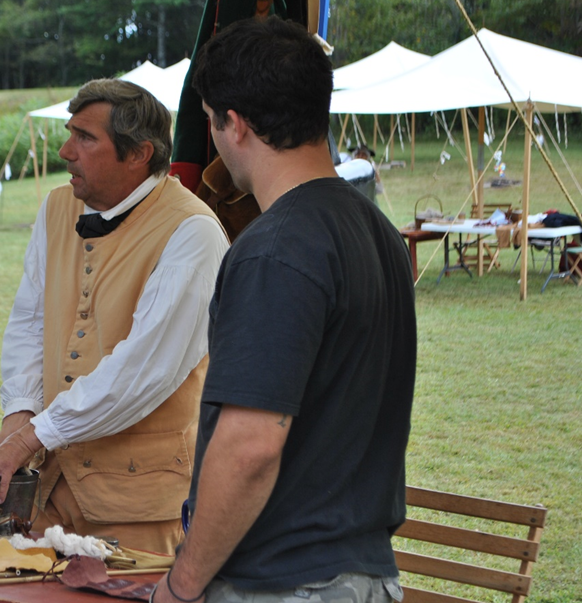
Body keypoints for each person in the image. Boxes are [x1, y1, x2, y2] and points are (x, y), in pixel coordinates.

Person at [152, 16, 416, 603]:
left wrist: (181, 585)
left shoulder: (275, 248)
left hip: (284, 583)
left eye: (211, 122)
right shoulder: (375, 229)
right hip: (363, 575)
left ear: (235, 125)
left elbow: (251, 446)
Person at [0, 78, 229, 555]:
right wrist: (18, 412)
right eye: (70, 133)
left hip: (139, 506)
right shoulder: (57, 208)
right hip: (48, 492)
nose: (66, 150)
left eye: (85, 138)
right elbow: (29, 321)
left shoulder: (194, 234)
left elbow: (143, 372)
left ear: (138, 153)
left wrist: (31, 436)